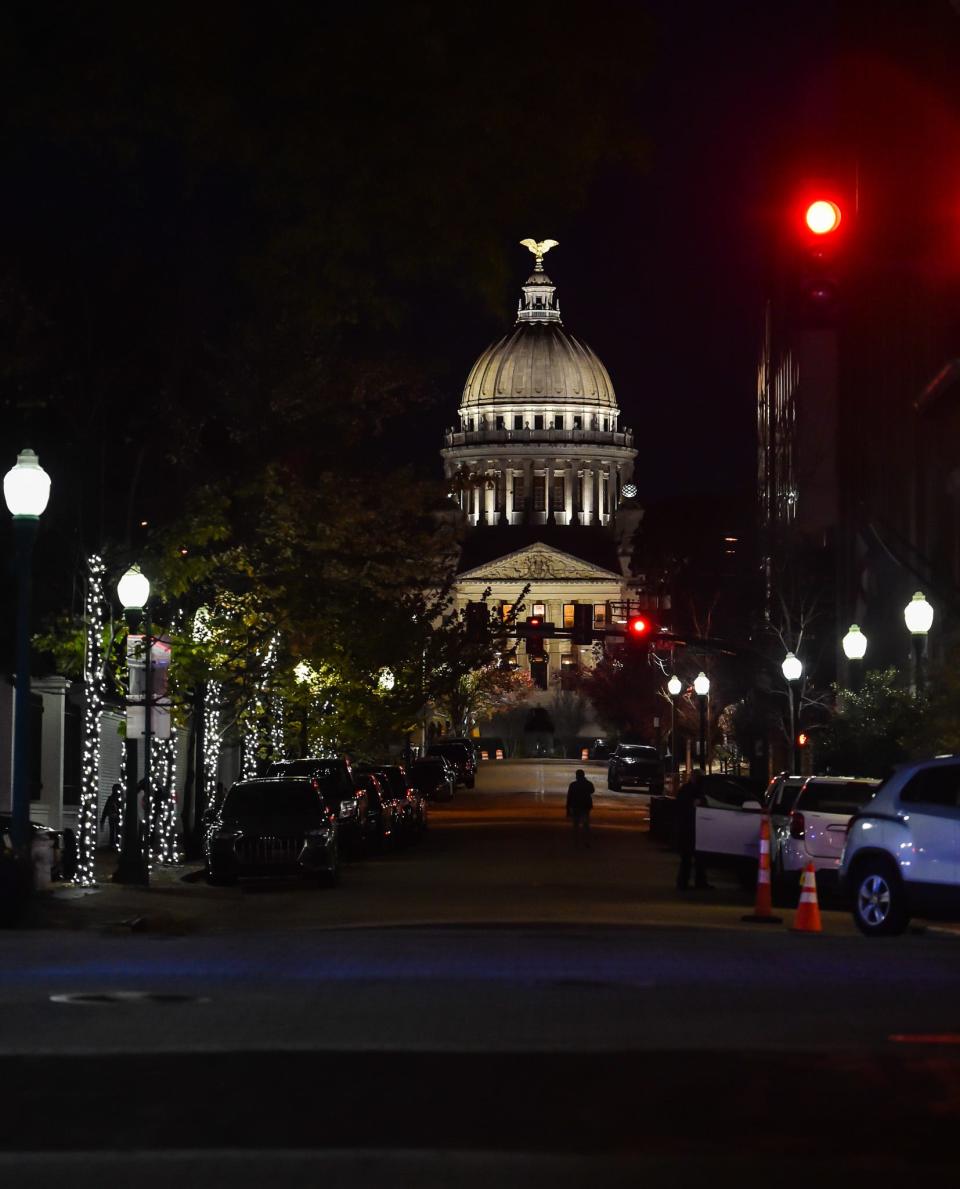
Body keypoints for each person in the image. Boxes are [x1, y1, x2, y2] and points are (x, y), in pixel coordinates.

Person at [675, 770, 712, 890]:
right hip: (690, 828)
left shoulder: (695, 790)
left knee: (697, 857)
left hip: (695, 828)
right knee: (689, 858)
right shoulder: (689, 790)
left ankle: (694, 882)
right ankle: (685, 883)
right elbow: (682, 806)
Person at [566, 768, 594, 848]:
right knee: (586, 825)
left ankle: (576, 843)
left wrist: (568, 809)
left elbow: (569, 797)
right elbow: (592, 790)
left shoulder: (573, 785)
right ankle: (586, 842)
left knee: (576, 825)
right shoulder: (588, 784)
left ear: (576, 776)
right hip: (585, 807)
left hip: (576, 806)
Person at [101, 783, 122, 849]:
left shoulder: (120, 799)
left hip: (117, 817)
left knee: (117, 831)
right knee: (113, 831)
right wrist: (103, 819)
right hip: (112, 817)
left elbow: (122, 808)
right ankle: (112, 845)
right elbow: (106, 809)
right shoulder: (111, 799)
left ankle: (115, 845)